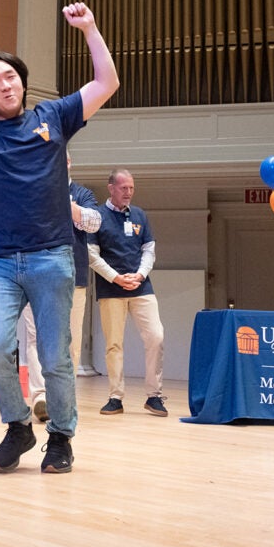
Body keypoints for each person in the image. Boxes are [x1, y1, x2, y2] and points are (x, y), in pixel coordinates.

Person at [0, 2, 119, 474]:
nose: (6, 83)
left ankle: (62, 439)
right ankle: (17, 426)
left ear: (22, 82)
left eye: (11, 76)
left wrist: (90, 28)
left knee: (55, 359)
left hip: (52, 257)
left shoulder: (54, 116)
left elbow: (106, 83)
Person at [23, 153, 101, 422]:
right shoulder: (32, 189)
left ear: (68, 163)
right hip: (34, 275)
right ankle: (40, 397)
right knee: (35, 338)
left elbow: (94, 222)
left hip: (72, 276)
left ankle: (64, 396)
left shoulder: (82, 193)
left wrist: (65, 203)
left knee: (70, 341)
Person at [88, 168, 168, 417]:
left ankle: (154, 396)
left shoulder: (140, 215)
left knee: (156, 336)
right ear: (111, 188)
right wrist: (115, 277)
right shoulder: (97, 216)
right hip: (111, 289)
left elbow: (149, 250)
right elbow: (91, 254)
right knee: (114, 344)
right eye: (123, 188)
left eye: (131, 188)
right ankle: (115, 396)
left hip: (141, 287)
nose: (128, 192)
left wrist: (140, 274)